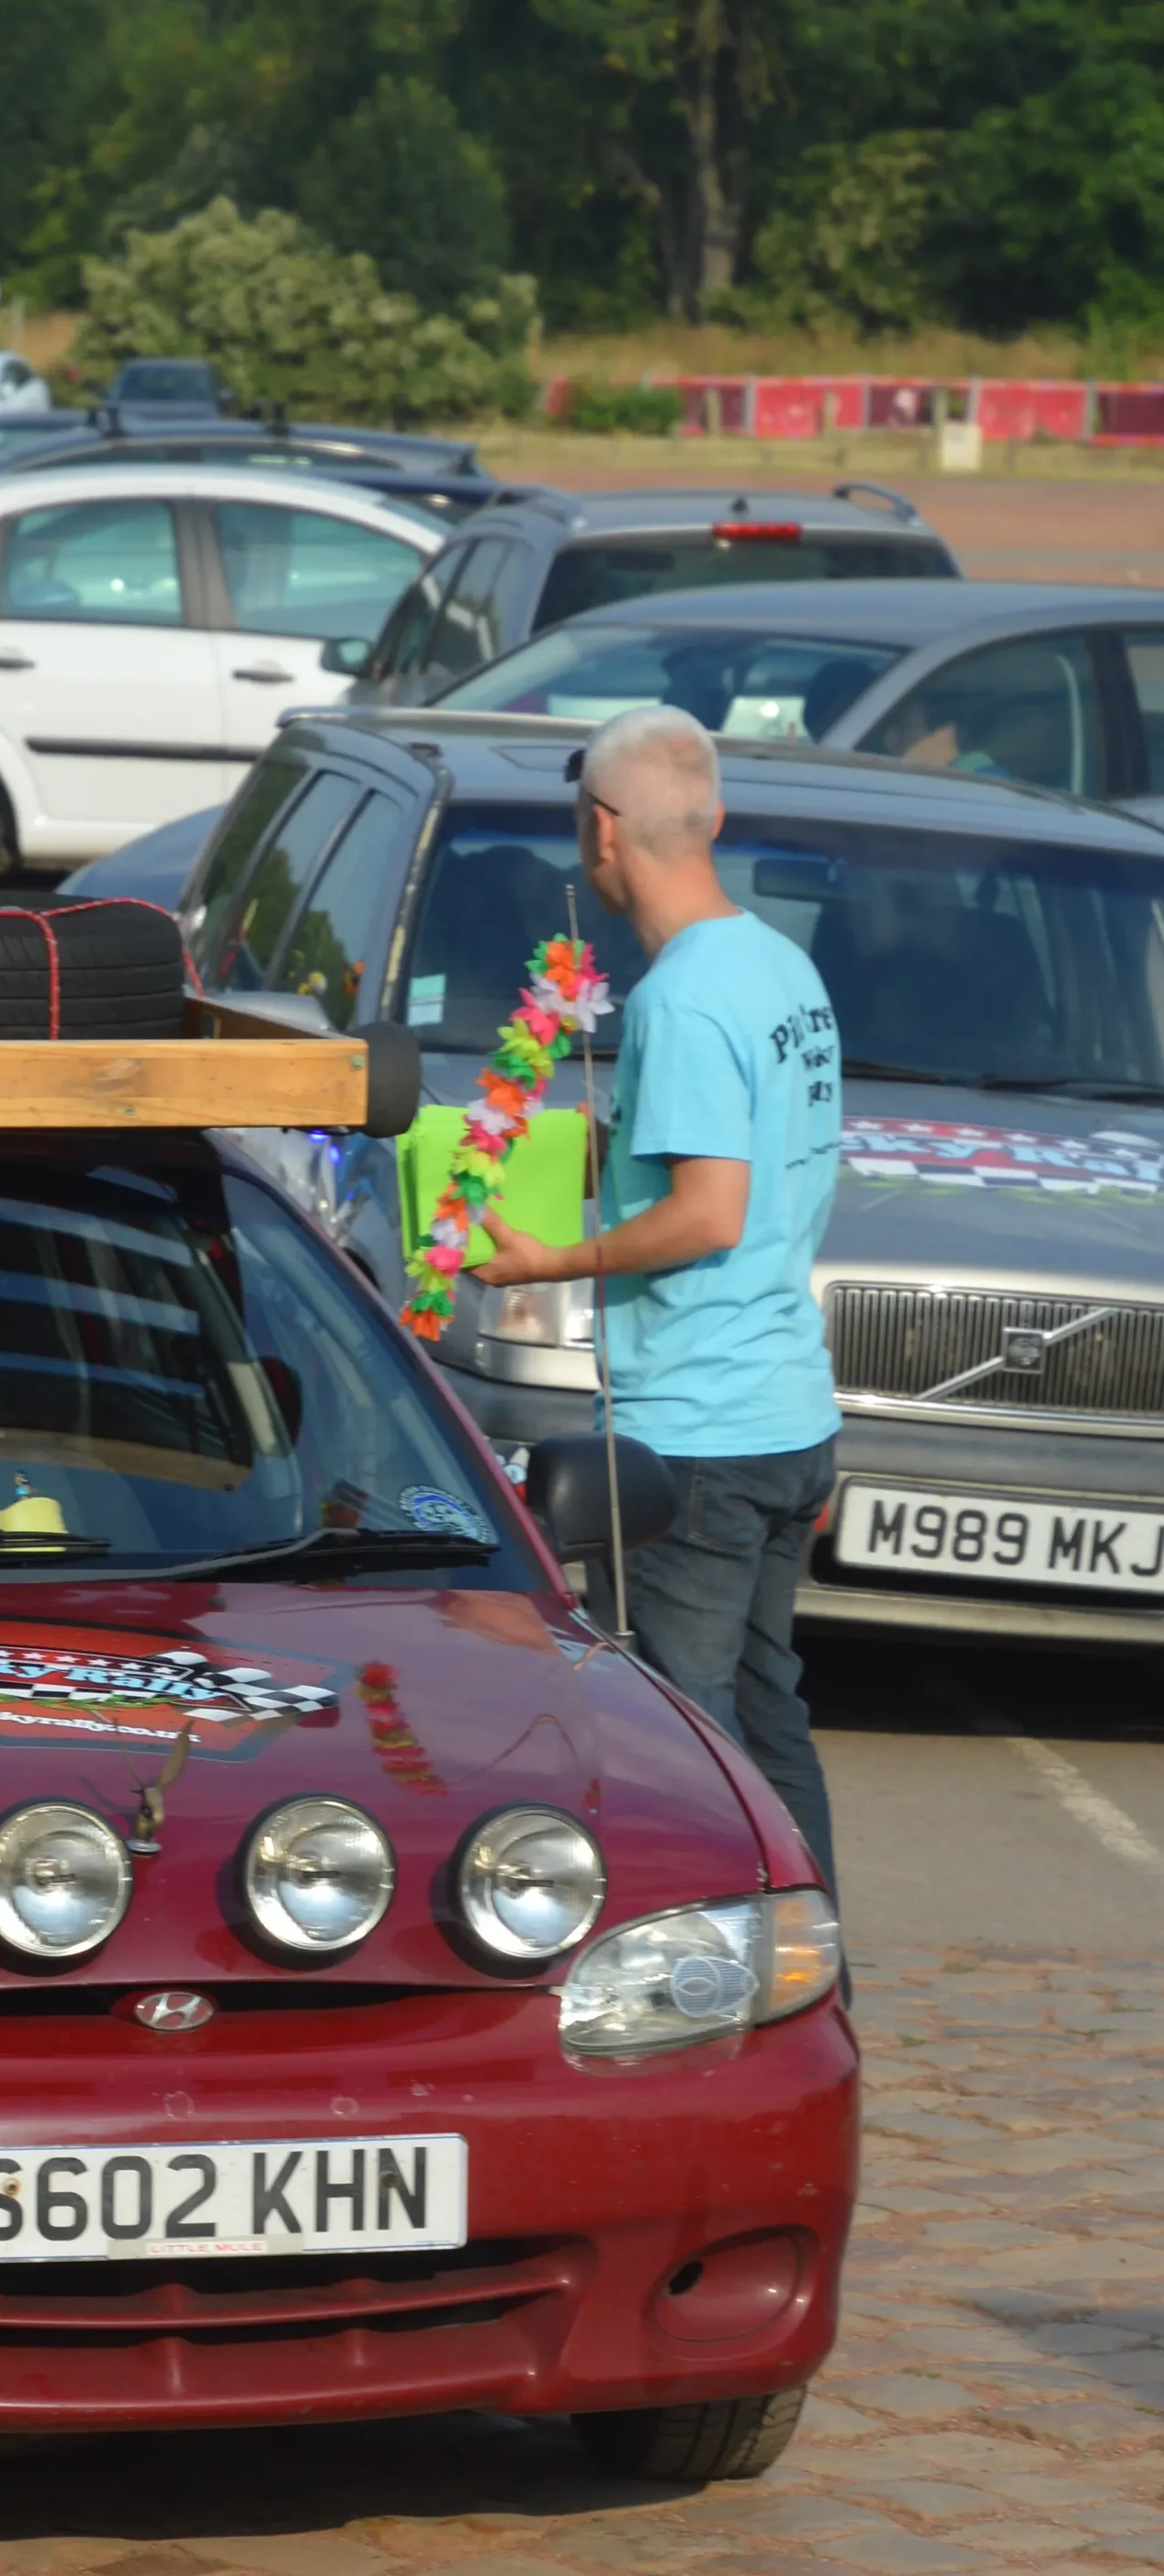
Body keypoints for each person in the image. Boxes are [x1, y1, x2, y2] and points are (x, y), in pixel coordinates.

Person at [473, 705, 842, 1889]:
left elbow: (706, 1215)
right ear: (712, 818)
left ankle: (736, 1975)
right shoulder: (778, 962)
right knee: (764, 1712)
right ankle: (810, 1942)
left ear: (601, 831)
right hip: (787, 1409)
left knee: (687, 1740)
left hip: (700, 1425)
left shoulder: (680, 999)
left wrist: (548, 1264)